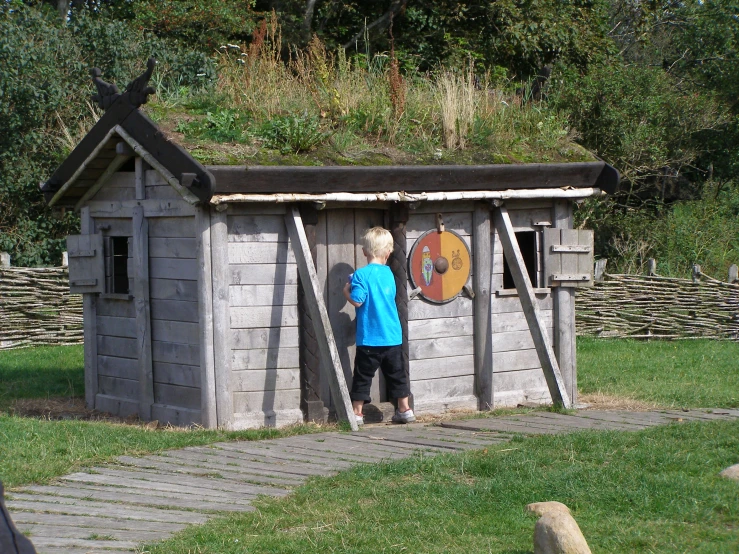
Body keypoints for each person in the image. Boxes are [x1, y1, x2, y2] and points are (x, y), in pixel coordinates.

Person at [343, 227, 416, 426]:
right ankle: (404, 409)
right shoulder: (389, 274)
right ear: (388, 251)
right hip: (392, 336)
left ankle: (357, 414)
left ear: (365, 251)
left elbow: (358, 301)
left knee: (363, 376)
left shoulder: (360, 274)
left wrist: (346, 290)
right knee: (397, 375)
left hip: (369, 338)